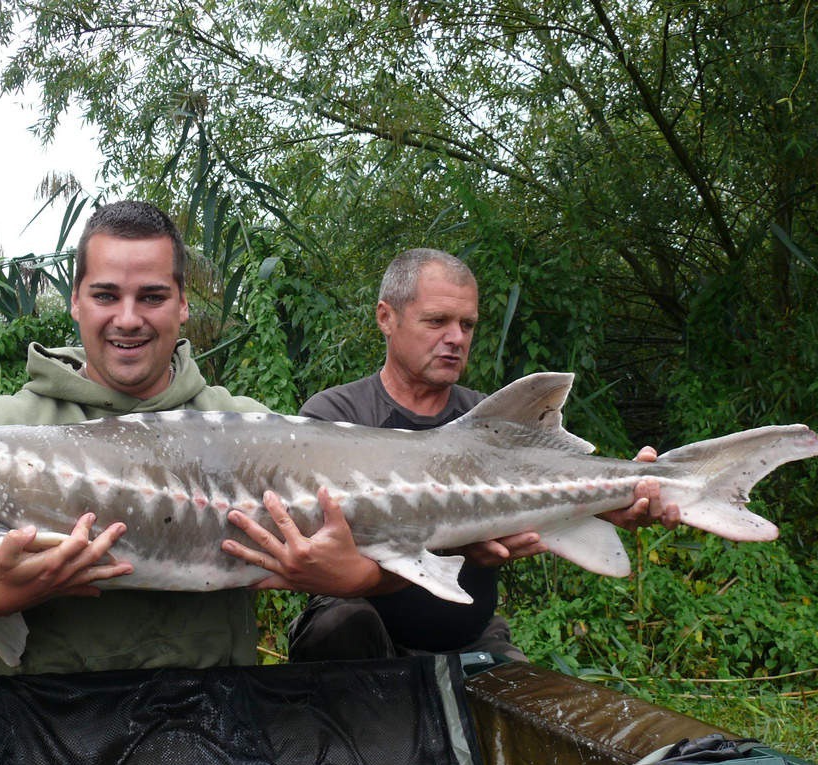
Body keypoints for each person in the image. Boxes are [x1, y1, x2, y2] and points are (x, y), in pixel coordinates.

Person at [0, 200, 376, 675]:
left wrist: (355, 580)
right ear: (76, 301)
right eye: (105, 295)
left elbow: (408, 545)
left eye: (151, 296)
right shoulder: (1, 431)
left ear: (182, 304)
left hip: (207, 732)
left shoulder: (248, 428)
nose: (128, 319)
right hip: (32, 740)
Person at [224, 248, 679, 664]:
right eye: (437, 321)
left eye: (467, 325)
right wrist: (461, 545)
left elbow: (552, 499)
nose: (456, 338)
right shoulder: (333, 416)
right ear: (386, 317)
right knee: (341, 628)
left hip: (470, 638)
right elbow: (325, 555)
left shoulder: (493, 422)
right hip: (357, 637)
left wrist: (619, 503)